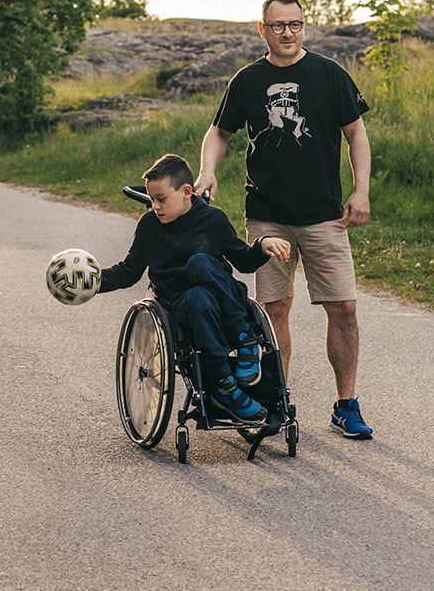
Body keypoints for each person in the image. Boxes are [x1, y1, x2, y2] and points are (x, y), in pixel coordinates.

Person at [195, 0, 376, 439]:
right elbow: (219, 132)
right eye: (277, 25)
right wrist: (207, 171)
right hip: (268, 216)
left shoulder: (329, 74)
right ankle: (278, 403)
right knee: (274, 310)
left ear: (303, 26)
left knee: (345, 308)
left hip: (324, 216)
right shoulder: (247, 81)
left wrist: (361, 191)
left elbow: (356, 133)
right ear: (263, 29)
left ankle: (345, 405)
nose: (287, 33)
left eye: (294, 24)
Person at [97, 153, 294, 422]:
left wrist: (261, 244)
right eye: (152, 199)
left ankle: (245, 338)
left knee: (200, 263)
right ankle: (224, 386)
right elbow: (128, 272)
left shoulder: (213, 220)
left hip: (225, 297)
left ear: (187, 192)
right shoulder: (149, 226)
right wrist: (94, 282)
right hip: (179, 303)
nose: (154, 205)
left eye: (161, 199)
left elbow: (244, 261)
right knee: (199, 297)